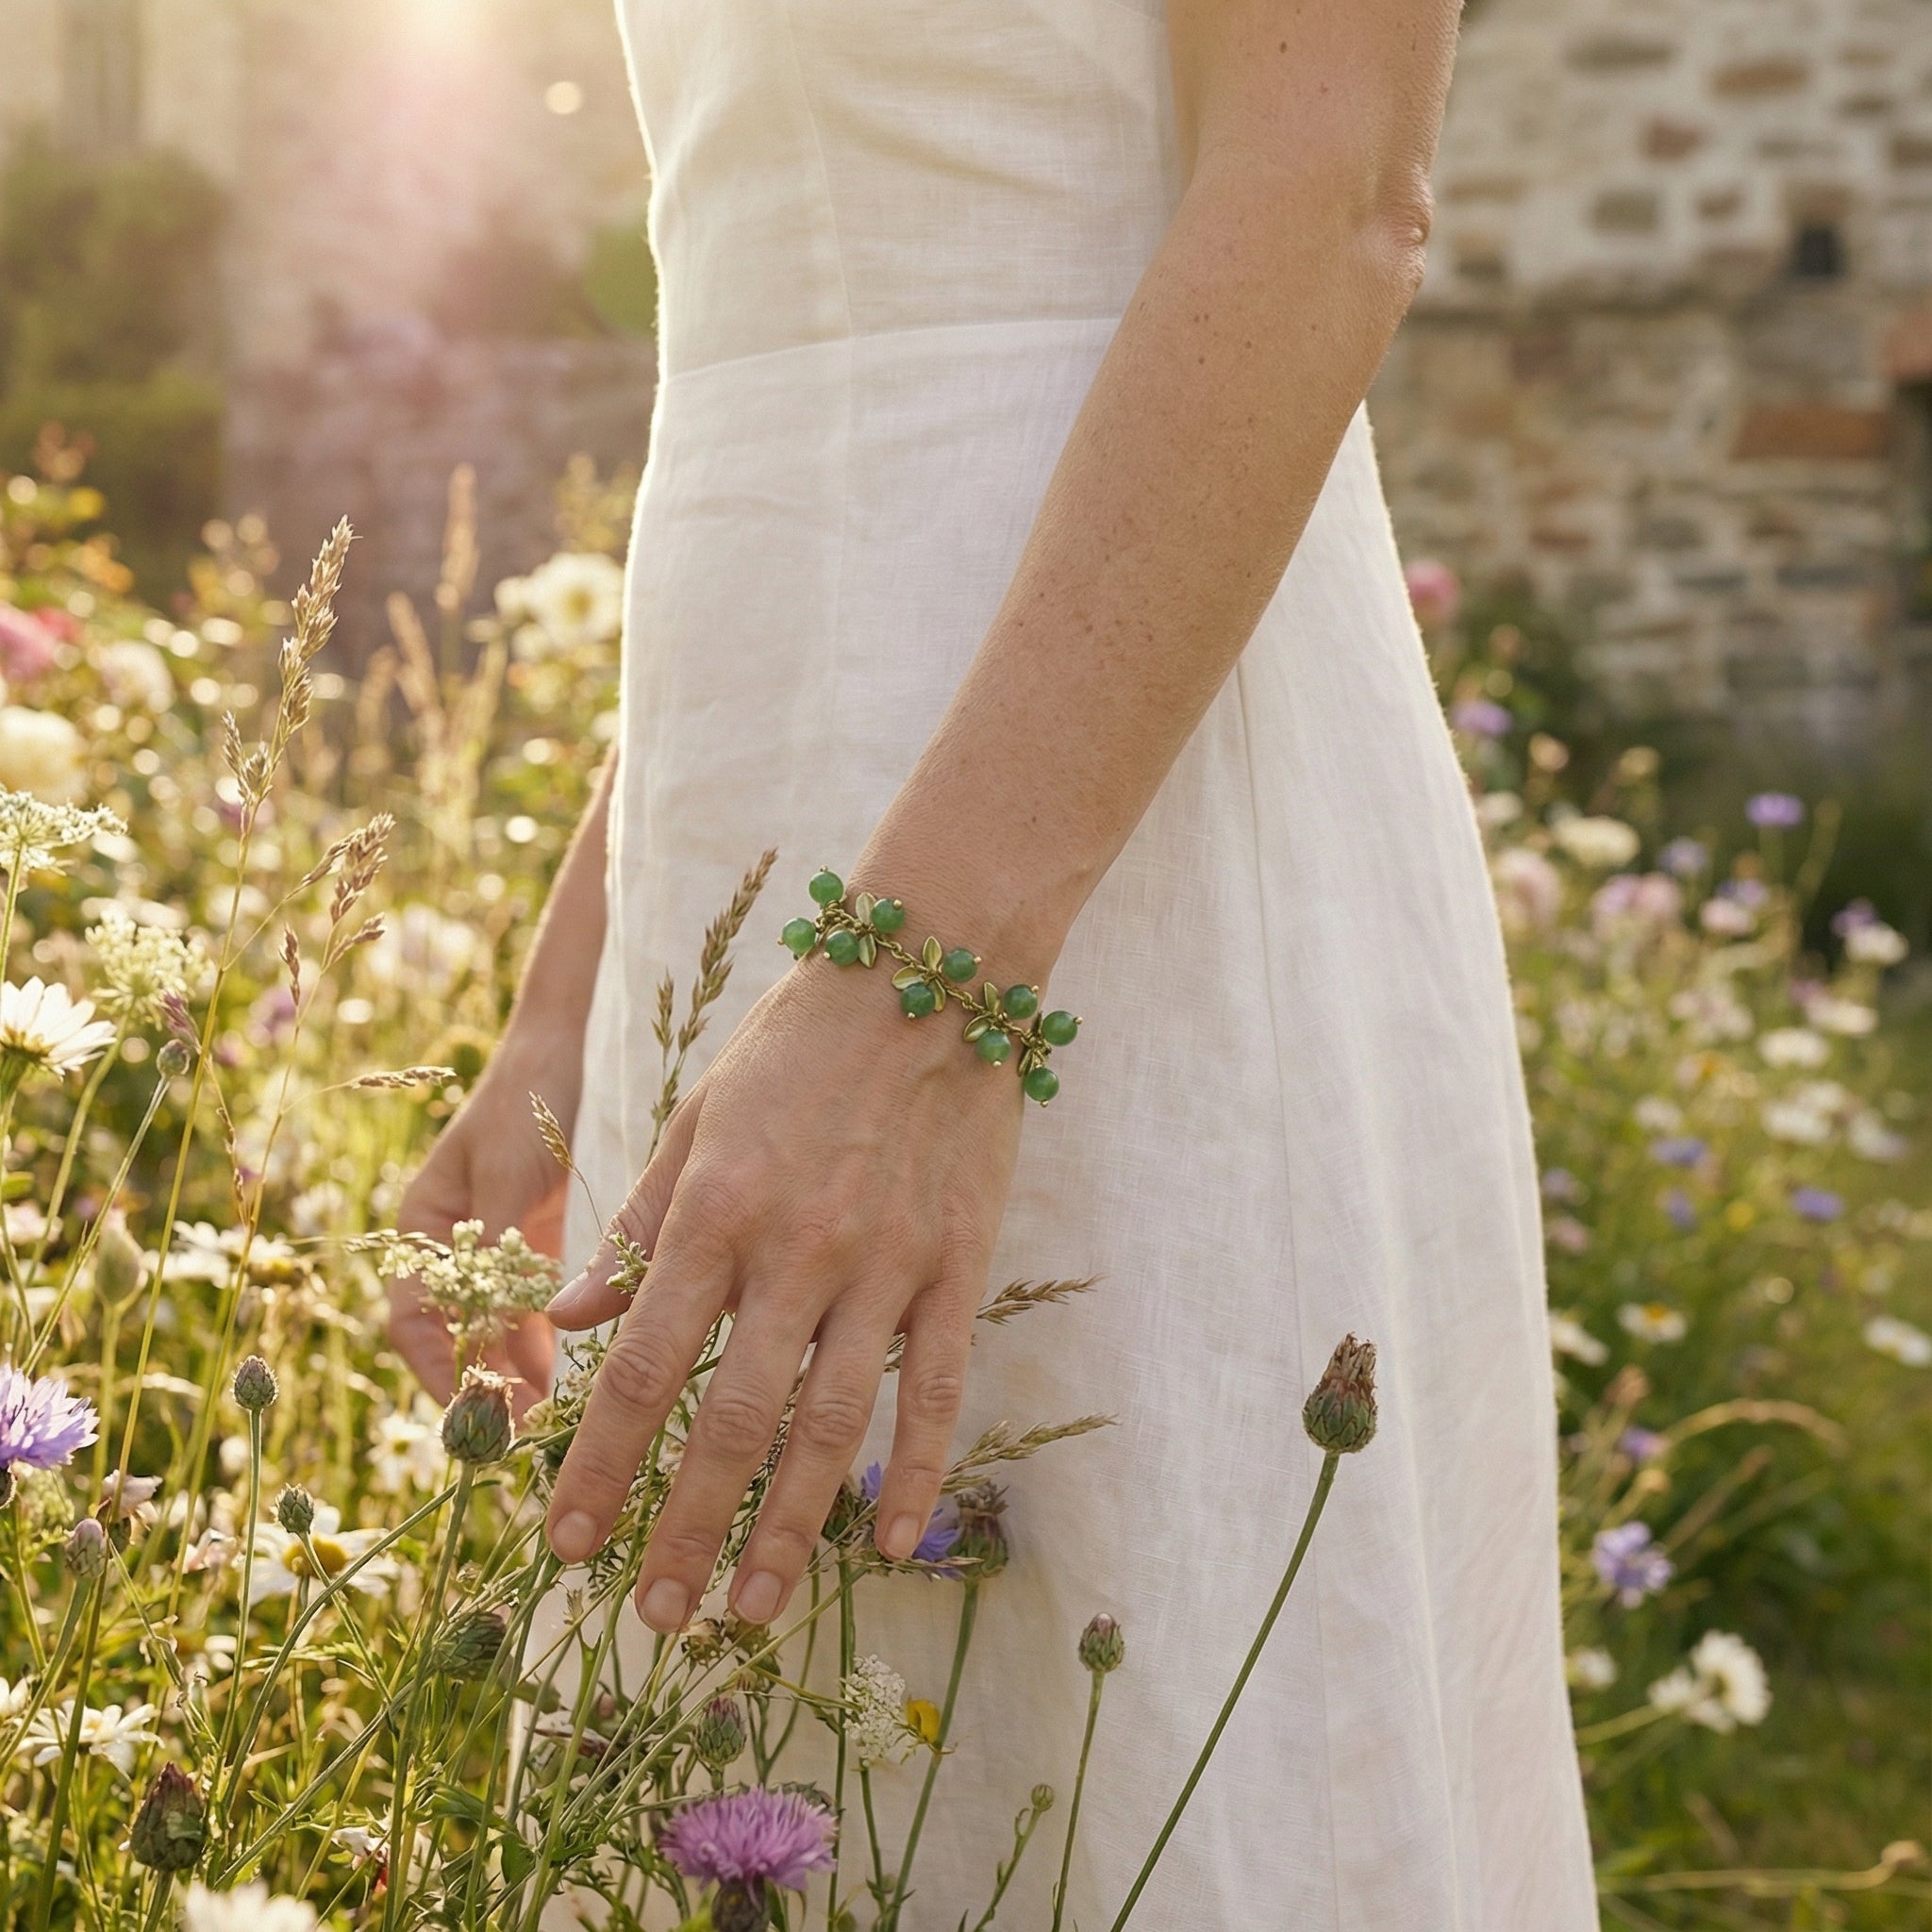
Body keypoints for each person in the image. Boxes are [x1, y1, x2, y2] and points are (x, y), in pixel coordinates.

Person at [391, 0, 1598, 1921]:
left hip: (1106, 851)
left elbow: (1329, 194)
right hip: (754, 811)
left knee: (1135, 1738)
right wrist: (575, 984)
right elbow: (799, 332)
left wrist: (915, 1002)